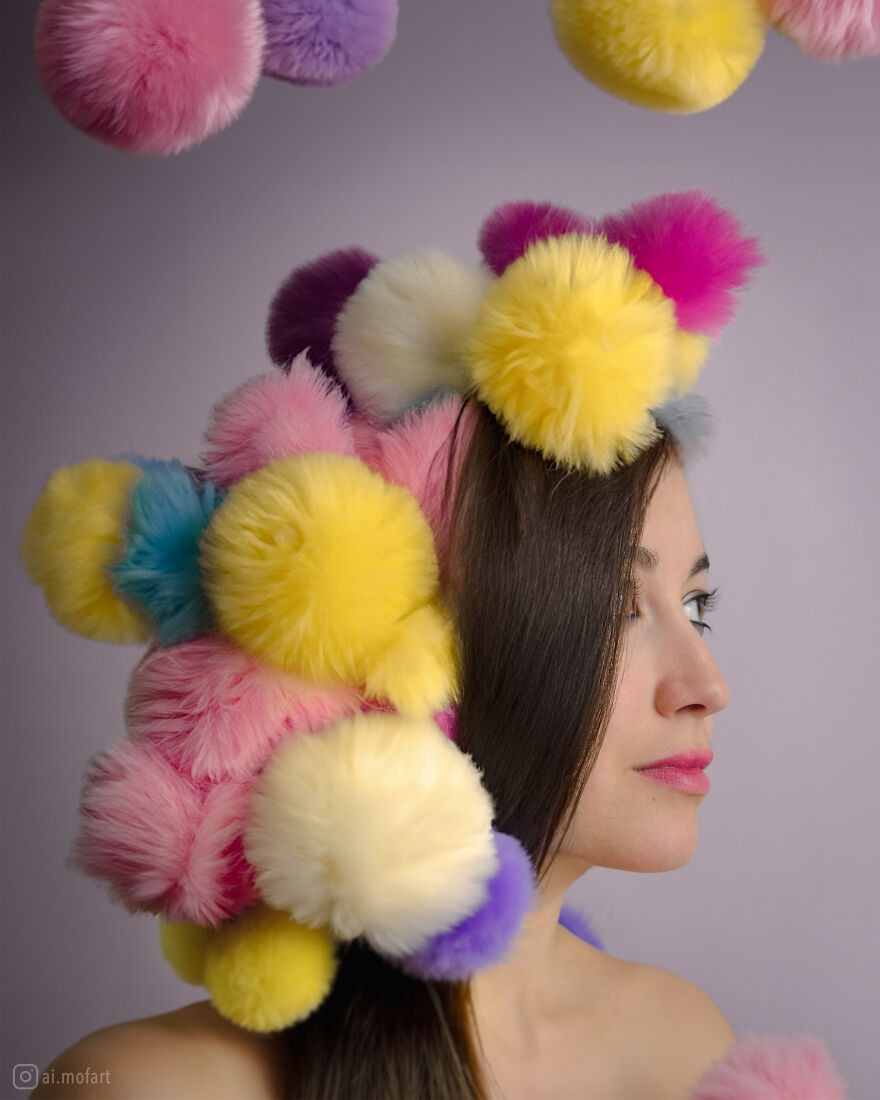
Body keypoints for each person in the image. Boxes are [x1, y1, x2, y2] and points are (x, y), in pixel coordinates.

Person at [27, 194, 843, 1100]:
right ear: (407, 664)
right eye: (618, 605)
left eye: (697, 605)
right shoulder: (153, 1087)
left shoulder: (686, 1045)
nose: (706, 686)